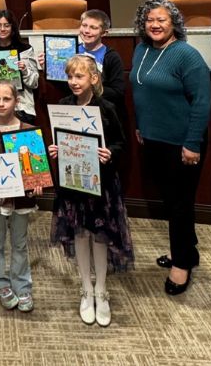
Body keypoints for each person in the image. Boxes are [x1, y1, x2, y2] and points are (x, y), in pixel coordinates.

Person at [129, 0, 210, 296]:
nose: (155, 24)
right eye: (150, 20)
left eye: (162, 19)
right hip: (153, 139)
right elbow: (141, 93)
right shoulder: (141, 50)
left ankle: (182, 264)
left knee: (179, 205)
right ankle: (188, 252)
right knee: (171, 201)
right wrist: (140, 125)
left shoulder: (186, 55)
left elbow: (202, 103)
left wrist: (191, 143)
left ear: (174, 23)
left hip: (182, 143)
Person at [49, 55, 133, 327]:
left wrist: (110, 153)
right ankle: (86, 288)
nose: (73, 82)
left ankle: (101, 290)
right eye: (70, 77)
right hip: (73, 183)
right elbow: (60, 140)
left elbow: (121, 142)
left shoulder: (107, 108)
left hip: (101, 185)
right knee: (80, 235)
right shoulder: (62, 106)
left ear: (94, 79)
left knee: (100, 236)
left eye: (79, 77)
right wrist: (56, 151)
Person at [0, 80, 42, 313]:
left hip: (21, 200)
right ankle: (0, 283)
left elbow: (36, 169)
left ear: (17, 101)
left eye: (7, 99)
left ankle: (22, 285)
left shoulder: (28, 131)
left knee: (20, 244)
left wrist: (38, 184)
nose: (1, 104)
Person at [39, 9, 126, 115]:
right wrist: (49, 69)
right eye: (84, 25)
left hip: (101, 112)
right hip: (74, 109)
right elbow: (64, 85)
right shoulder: (70, 51)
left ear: (104, 33)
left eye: (93, 27)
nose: (86, 31)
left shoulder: (111, 57)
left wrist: (89, 87)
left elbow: (117, 92)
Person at [0, 9, 39, 123]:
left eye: (6, 25)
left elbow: (34, 83)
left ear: (13, 27)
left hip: (22, 107)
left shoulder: (26, 49)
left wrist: (25, 71)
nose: (2, 29)